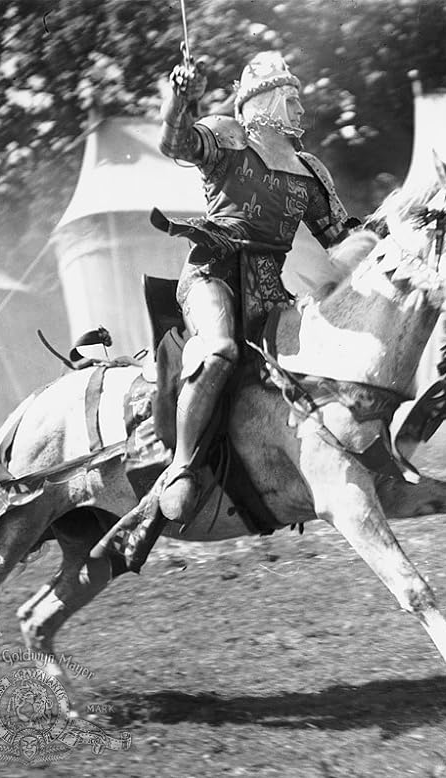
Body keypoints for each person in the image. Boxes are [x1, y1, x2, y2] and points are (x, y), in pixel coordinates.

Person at [154, 50, 361, 526]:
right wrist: (181, 99)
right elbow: (176, 143)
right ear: (264, 102)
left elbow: (341, 238)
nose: (301, 109)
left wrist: (396, 227)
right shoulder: (228, 137)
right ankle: (182, 466)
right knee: (219, 351)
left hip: (269, 291)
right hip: (213, 275)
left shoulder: (310, 170)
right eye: (292, 99)